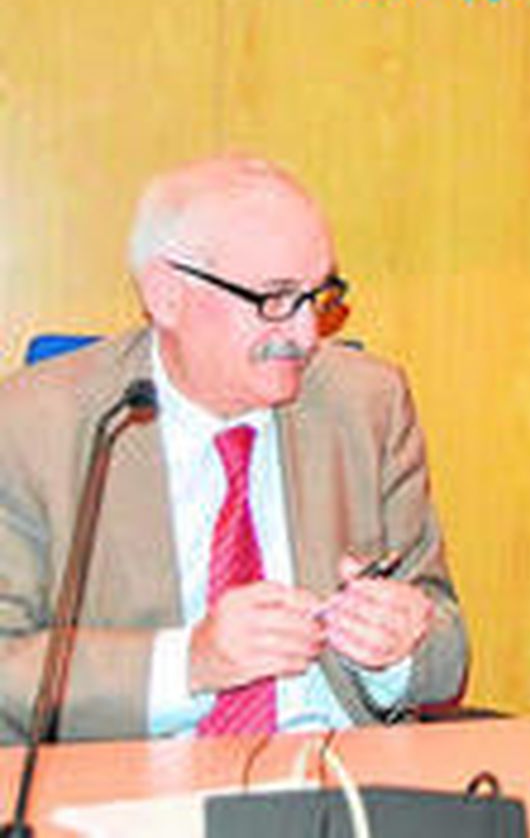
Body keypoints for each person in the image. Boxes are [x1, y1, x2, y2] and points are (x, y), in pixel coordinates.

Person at [0, 156, 467, 742]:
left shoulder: (368, 403)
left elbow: (446, 648)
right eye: (274, 299)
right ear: (167, 295)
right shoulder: (34, 426)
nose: (304, 335)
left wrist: (398, 651)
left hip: (338, 782)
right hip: (133, 796)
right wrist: (189, 665)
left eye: (319, 297)